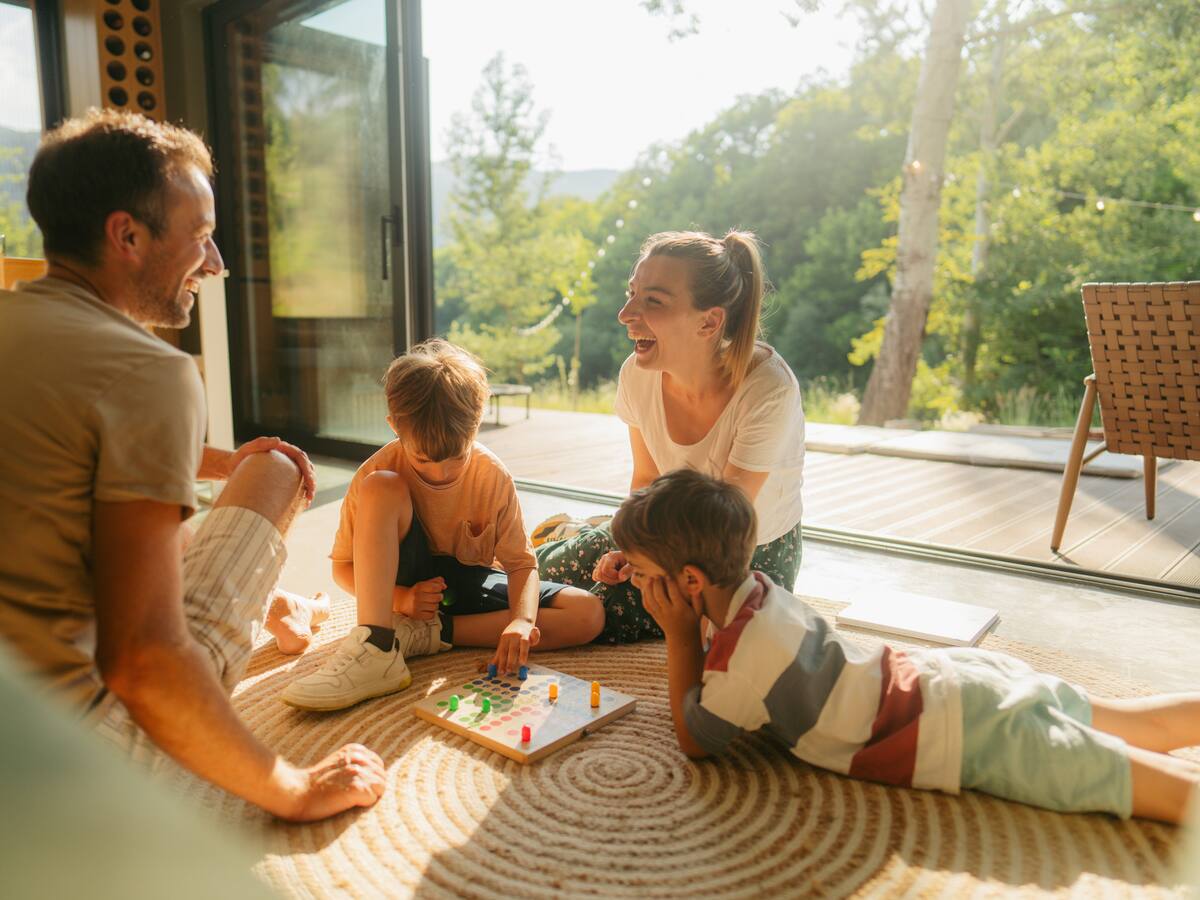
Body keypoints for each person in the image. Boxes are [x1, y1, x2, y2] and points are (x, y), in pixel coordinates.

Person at [0, 109, 385, 821]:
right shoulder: (148, 373)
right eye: (201, 236)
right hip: (73, 759)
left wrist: (218, 461)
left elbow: (67, 441)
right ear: (127, 236)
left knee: (159, 511)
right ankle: (281, 611)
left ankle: (281, 608)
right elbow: (142, 662)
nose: (215, 263)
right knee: (273, 469)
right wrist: (294, 789)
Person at [612, 469, 1200, 825]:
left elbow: (696, 740)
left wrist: (679, 636)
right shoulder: (760, 591)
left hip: (961, 731)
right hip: (959, 678)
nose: (637, 582)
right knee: (1136, 723)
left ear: (691, 581)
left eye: (641, 572)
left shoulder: (743, 660)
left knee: (1158, 790)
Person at [281, 339, 604, 711]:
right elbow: (343, 568)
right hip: (402, 588)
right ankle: (377, 644)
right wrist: (402, 599)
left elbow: (521, 565)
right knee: (381, 487)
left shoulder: (492, 475)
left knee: (588, 613)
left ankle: (428, 636)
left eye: (456, 457)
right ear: (394, 426)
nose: (441, 473)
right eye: (423, 460)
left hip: (466, 587)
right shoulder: (376, 473)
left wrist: (520, 621)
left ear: (476, 425)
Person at [536, 229, 805, 643]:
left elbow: (723, 526)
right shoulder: (637, 374)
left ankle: (579, 533)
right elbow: (646, 480)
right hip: (665, 530)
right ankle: (577, 535)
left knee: (597, 609)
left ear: (709, 321)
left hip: (738, 554)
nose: (625, 314)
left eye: (653, 301)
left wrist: (644, 561)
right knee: (540, 571)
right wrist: (630, 548)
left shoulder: (768, 389)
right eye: (631, 294)